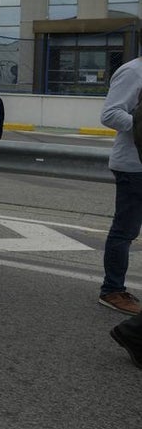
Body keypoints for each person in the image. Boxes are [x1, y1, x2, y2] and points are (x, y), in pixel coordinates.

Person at [96, 55, 142, 315]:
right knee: (125, 230)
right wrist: (140, 124)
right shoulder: (133, 71)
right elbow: (110, 114)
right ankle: (112, 290)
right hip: (134, 167)